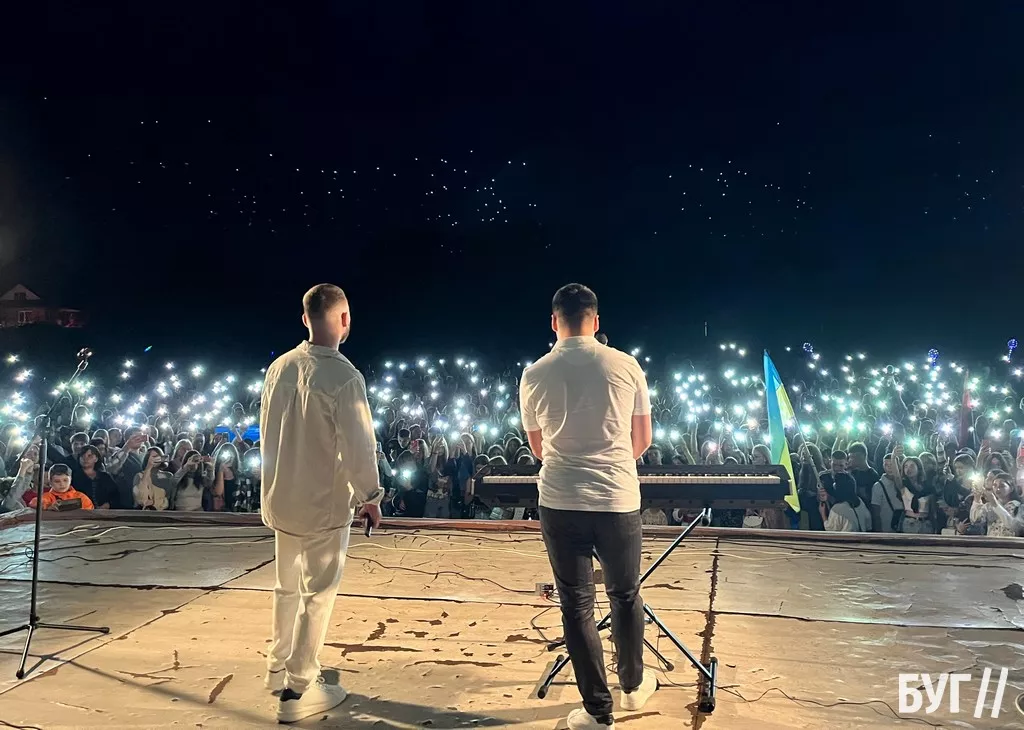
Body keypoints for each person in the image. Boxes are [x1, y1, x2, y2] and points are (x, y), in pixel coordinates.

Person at [519, 283, 657, 729]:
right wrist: (609, 462)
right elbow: (642, 440)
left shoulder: (534, 374)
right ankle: (632, 687)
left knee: (576, 604)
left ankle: (598, 712)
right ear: (596, 321)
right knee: (625, 594)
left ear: (554, 322)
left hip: (560, 500)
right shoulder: (626, 365)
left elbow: (538, 448)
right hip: (616, 498)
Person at [260, 283, 384, 724]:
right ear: (345, 319)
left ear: (305, 318)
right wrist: (370, 497)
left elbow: (267, 434)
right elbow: (359, 446)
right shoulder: (344, 377)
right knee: (317, 595)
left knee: (286, 587)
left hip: (282, 498)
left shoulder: (279, 367)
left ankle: (277, 667)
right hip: (323, 505)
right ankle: (297, 688)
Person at [30, 463, 95, 511]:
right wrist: (48, 506)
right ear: (50, 482)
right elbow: (34, 503)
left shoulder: (81, 497)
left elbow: (89, 512)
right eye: (57, 481)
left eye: (65, 480)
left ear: (71, 479)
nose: (62, 484)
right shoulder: (48, 497)